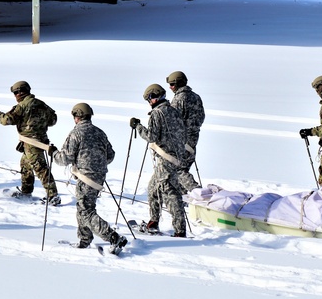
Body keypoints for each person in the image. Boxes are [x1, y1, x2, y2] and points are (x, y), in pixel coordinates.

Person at [49, 102, 127, 254]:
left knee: (86, 212)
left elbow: (65, 159)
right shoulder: (100, 133)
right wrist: (97, 163)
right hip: (99, 177)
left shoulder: (76, 133)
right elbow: (110, 155)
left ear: (77, 116)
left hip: (85, 178)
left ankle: (113, 237)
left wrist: (53, 153)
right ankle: (84, 240)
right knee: (83, 207)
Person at [131, 83, 187, 237]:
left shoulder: (157, 114)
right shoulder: (173, 111)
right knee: (153, 188)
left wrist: (138, 127)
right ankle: (154, 221)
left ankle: (180, 231)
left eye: (149, 98)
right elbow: (184, 134)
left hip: (165, 159)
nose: (149, 102)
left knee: (170, 193)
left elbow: (151, 137)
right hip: (176, 157)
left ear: (154, 97)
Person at [0, 80, 60, 205]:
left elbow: (7, 120)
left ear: (19, 92)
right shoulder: (41, 104)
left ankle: (53, 196)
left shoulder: (22, 106)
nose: (15, 96)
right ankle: (26, 192)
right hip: (39, 141)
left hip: (31, 143)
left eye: (15, 93)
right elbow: (53, 120)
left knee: (40, 168)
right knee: (25, 165)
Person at [166, 70, 205, 192]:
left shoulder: (179, 99)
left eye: (172, 84)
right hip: (193, 142)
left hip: (181, 143)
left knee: (179, 171)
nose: (170, 87)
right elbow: (201, 117)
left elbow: (172, 122)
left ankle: (199, 193)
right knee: (184, 170)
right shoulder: (196, 97)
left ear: (178, 84)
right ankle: (183, 200)